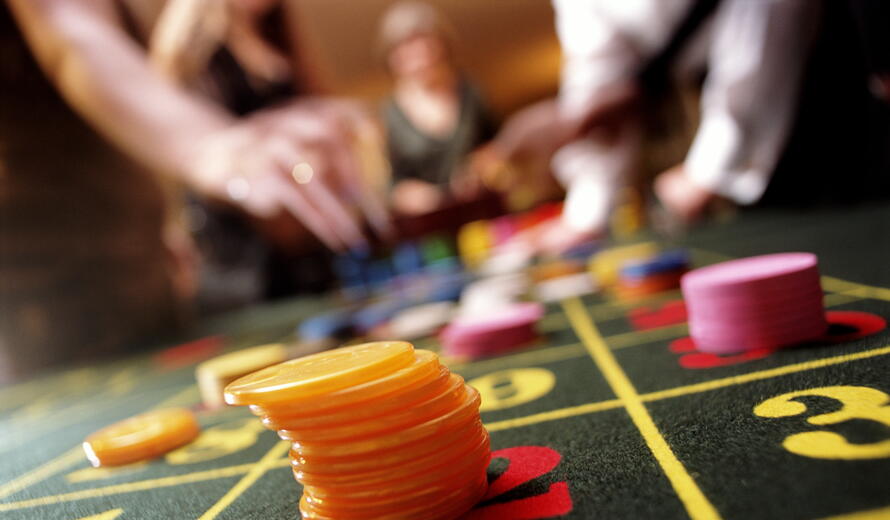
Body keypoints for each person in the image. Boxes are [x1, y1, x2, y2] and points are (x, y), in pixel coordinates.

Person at [0, 0, 386, 381]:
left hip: (144, 273)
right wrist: (211, 148)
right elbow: (75, 38)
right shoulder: (193, 26)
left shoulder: (281, 32)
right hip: (51, 292)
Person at [482, 0, 819, 253]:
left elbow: (766, 12)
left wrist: (709, 168)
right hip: (714, 95)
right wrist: (586, 212)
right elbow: (598, 73)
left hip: (818, 80)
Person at [378, 1, 498, 216]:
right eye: (406, 46)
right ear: (393, 56)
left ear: (441, 43)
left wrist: (479, 168)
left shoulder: (470, 91)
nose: (418, 54)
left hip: (483, 209)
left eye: (423, 41)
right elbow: (389, 186)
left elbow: (496, 145)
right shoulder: (388, 115)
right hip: (430, 225)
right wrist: (417, 196)